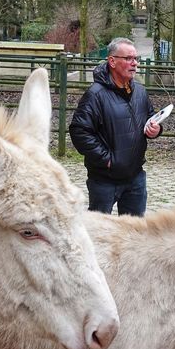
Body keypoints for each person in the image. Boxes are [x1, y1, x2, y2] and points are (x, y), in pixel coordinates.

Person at [70, 37, 161, 216]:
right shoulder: (95, 95)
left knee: (133, 233)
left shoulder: (140, 92)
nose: (134, 63)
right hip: (104, 180)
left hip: (135, 176)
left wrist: (155, 130)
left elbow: (151, 118)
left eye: (136, 59)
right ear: (112, 61)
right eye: (128, 59)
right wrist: (107, 160)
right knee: (100, 233)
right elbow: (79, 131)